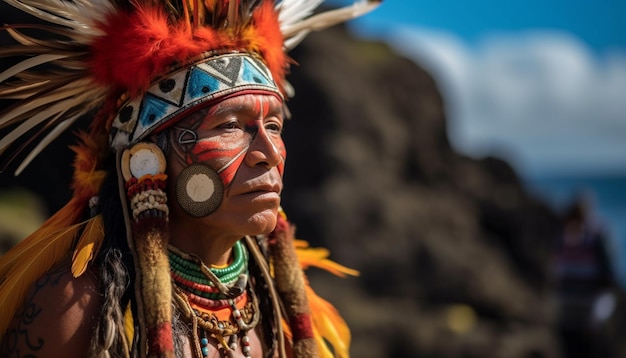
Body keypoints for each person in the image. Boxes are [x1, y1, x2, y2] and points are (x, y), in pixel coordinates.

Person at [0, 0, 379, 357]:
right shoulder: (74, 307)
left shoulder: (282, 305)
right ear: (148, 159)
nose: (271, 152)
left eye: (275, 126)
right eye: (231, 125)